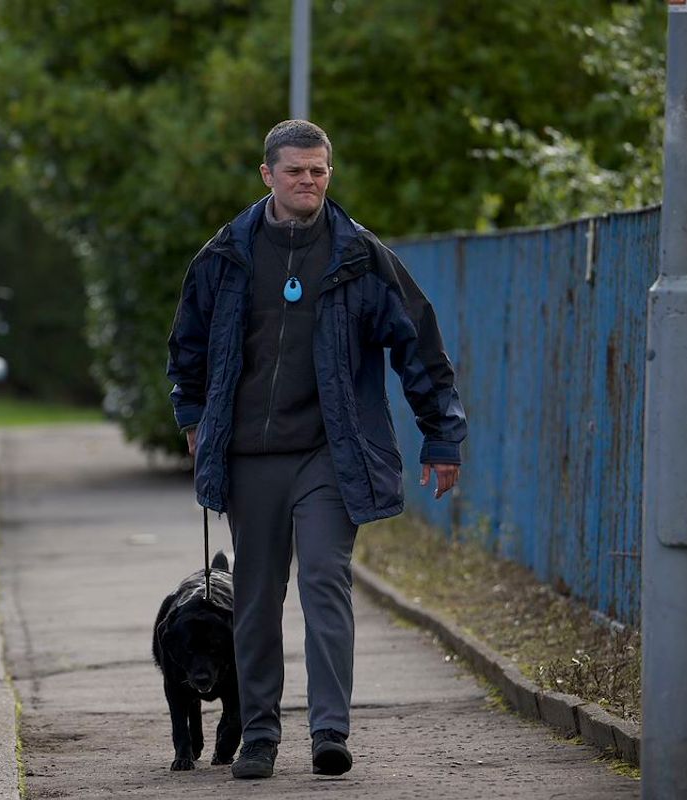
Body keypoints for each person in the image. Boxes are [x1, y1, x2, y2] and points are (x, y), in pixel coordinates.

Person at [165, 119, 467, 779]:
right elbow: (188, 343)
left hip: (330, 453)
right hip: (250, 456)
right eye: (296, 171)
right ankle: (259, 735)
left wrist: (440, 435)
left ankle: (330, 731)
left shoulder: (360, 255)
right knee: (255, 596)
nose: (309, 181)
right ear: (267, 174)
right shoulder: (226, 255)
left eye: (319, 171)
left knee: (325, 579)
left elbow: (418, 342)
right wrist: (193, 418)